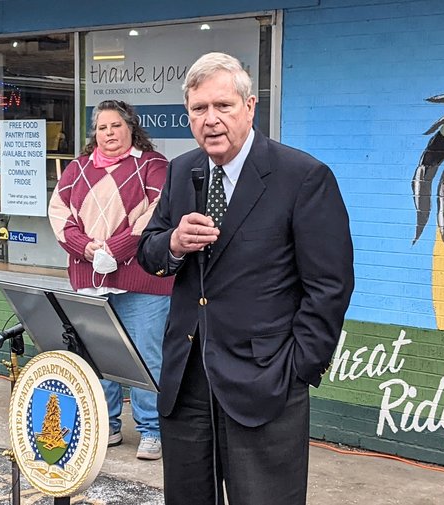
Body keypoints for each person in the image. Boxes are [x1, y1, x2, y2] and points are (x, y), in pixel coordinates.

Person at [137, 52, 355, 504]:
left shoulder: (303, 177)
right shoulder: (181, 171)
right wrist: (175, 243)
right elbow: (149, 251)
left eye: (223, 106)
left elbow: (330, 285)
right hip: (187, 382)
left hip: (266, 383)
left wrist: (298, 369)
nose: (211, 120)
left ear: (250, 106)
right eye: (199, 109)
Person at [48, 99, 172, 460]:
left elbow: (156, 214)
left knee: (147, 357)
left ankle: (152, 431)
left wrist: (115, 249)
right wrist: (85, 248)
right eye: (102, 128)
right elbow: (59, 214)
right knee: (98, 355)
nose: (109, 133)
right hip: (91, 280)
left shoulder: (153, 165)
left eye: (116, 126)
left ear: (131, 128)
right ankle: (108, 424)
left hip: (142, 281)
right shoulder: (77, 168)